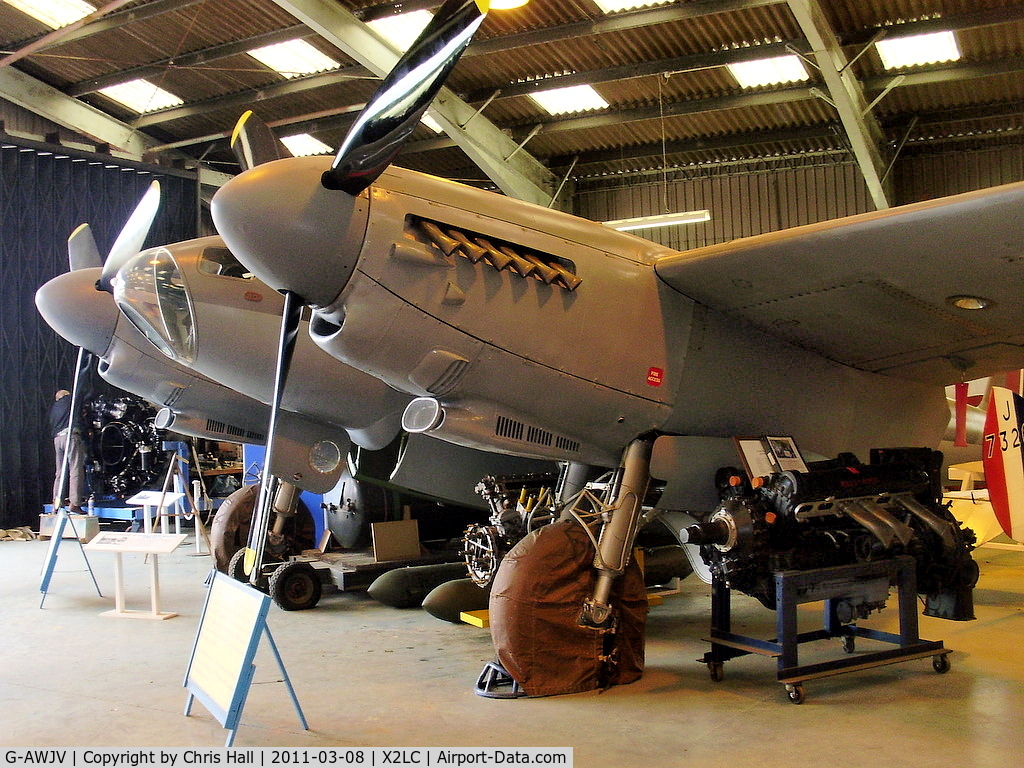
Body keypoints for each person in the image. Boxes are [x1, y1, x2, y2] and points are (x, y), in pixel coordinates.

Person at [48, 389, 85, 513]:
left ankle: (57, 502)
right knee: (75, 470)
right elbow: (85, 393)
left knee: (60, 472)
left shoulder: (54, 409)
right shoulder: (69, 400)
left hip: (57, 439)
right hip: (70, 436)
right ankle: (75, 503)